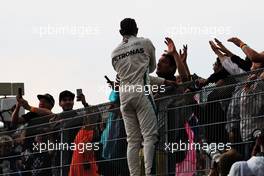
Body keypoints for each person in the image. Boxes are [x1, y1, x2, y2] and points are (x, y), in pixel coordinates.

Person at [111, 18, 176, 175]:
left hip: (124, 96)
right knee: (150, 136)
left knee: (132, 140)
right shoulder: (145, 42)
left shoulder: (114, 53)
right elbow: (151, 68)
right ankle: (148, 173)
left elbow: (125, 75)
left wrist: (164, 81)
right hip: (141, 93)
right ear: (137, 29)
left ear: (120, 32)